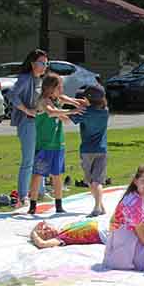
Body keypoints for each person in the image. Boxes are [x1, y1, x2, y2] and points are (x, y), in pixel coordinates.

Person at [27, 74, 86, 214]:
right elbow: (51, 112)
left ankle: (59, 205)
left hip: (58, 144)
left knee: (57, 175)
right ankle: (32, 205)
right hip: (44, 146)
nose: (61, 89)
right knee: (38, 175)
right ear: (50, 88)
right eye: (59, 86)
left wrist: (79, 102)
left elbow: (68, 99)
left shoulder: (57, 98)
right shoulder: (43, 100)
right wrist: (72, 110)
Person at [8, 49, 50, 208]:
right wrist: (26, 110)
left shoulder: (41, 80)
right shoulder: (26, 79)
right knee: (28, 160)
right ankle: (23, 196)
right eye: (41, 63)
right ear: (32, 64)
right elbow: (11, 95)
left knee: (41, 157)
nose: (44, 66)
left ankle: (40, 191)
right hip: (27, 122)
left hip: (40, 122)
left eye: (46, 63)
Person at [70, 85, 109, 217]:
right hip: (102, 150)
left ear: (88, 99)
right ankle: (101, 206)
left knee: (92, 182)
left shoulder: (85, 112)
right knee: (96, 181)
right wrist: (85, 104)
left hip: (87, 151)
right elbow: (92, 107)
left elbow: (69, 118)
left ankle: (97, 207)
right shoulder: (105, 111)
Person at [30, 219, 107, 249]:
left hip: (105, 225)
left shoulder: (65, 227)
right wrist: (33, 233)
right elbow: (42, 243)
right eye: (46, 235)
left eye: (46, 229)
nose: (49, 231)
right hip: (104, 235)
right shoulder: (60, 238)